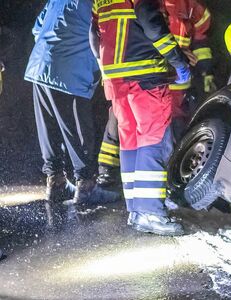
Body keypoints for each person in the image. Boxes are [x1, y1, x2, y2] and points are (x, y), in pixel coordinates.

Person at [90, 0, 191, 235]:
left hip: (115, 78)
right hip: (144, 73)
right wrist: (178, 60)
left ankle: (136, 209)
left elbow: (93, 34)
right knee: (154, 139)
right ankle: (151, 212)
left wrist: (104, 66)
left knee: (130, 141)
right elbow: (151, 23)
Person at [96, 0, 215, 189]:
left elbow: (201, 38)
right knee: (146, 138)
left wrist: (204, 70)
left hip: (165, 79)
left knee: (150, 138)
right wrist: (176, 57)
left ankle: (147, 195)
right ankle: (112, 181)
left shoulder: (191, 6)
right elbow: (150, 27)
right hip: (150, 75)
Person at [24, 0, 118, 204]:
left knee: (48, 129)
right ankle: (86, 186)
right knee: (77, 131)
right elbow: (107, 33)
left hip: (40, 66)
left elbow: (37, 27)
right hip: (70, 70)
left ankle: (56, 182)